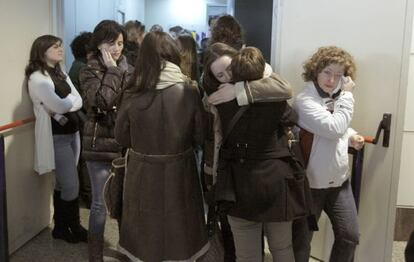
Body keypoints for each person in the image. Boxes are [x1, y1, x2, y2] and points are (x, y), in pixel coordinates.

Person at [204, 44, 311, 262]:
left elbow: (209, 139)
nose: (227, 77)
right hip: (276, 181)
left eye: (229, 69)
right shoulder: (274, 97)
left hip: (238, 183)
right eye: (220, 74)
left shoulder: (217, 100)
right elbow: (291, 118)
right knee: (282, 248)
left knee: (247, 255)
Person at [114, 31, 208, 262]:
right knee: (181, 227)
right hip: (181, 168)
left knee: (144, 230)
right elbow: (200, 135)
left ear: (143, 57)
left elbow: (121, 137)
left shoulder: (133, 92)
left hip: (143, 171)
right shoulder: (190, 89)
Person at [292, 46, 364, 262]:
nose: (332, 80)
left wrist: (351, 135)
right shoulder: (305, 101)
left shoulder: (337, 97)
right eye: (327, 72)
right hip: (311, 184)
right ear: (316, 71)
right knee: (302, 243)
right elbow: (333, 128)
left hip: (339, 182)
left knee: (350, 236)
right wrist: (349, 97)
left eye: (339, 75)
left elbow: (337, 128)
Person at [79, 20, 134, 262]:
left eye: (120, 43)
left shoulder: (130, 69)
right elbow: (101, 102)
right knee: (101, 204)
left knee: (125, 204)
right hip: (99, 145)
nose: (116, 48)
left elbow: (130, 103)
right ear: (98, 43)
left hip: (125, 145)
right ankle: (95, 255)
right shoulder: (88, 70)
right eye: (111, 43)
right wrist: (113, 72)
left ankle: (126, 250)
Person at [25, 35, 87, 244]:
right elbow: (64, 105)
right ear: (42, 50)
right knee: (71, 185)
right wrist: (67, 102)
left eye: (61, 46)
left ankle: (61, 227)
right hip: (56, 137)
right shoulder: (37, 77)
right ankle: (73, 226)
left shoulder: (60, 72)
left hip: (71, 133)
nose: (61, 49)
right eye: (55, 46)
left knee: (63, 184)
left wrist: (65, 102)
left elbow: (78, 100)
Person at [68, 31, 93, 209]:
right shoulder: (82, 68)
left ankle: (86, 194)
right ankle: (88, 196)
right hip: (83, 119)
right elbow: (87, 99)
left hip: (79, 118)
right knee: (86, 160)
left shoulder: (76, 65)